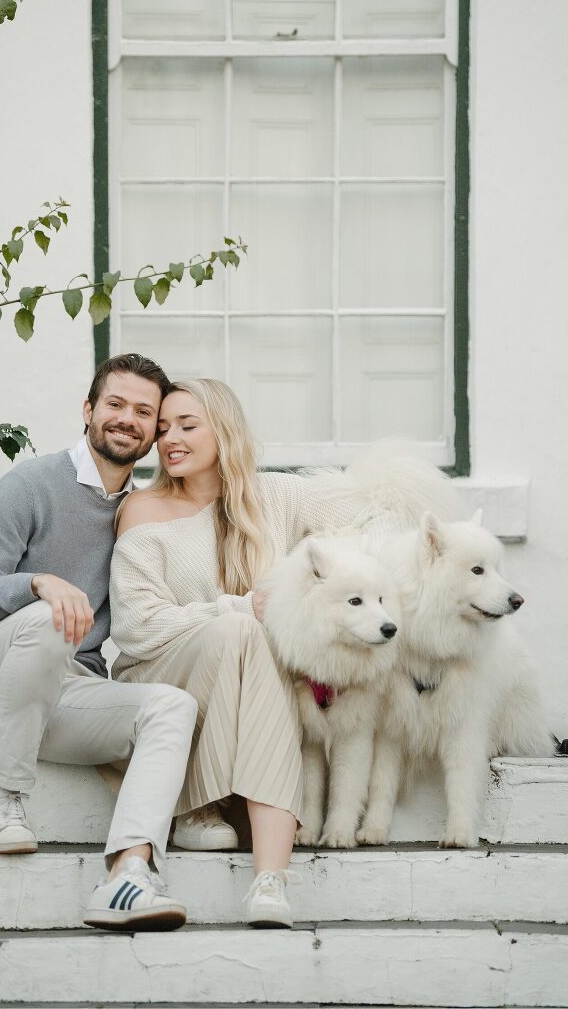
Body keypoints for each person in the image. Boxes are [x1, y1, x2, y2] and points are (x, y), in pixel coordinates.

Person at [0, 353, 198, 932]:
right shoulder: (31, 484)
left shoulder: (142, 514)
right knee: (52, 616)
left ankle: (129, 875)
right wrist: (38, 584)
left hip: (63, 694)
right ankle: (0, 799)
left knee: (172, 707)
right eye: (115, 404)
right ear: (88, 410)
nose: (127, 419)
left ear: (155, 430)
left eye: (143, 412)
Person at [110, 378, 360, 928]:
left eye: (187, 425)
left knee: (249, 639)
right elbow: (135, 628)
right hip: (160, 676)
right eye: (163, 428)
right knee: (239, 630)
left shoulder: (279, 497)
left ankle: (270, 881)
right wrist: (238, 607)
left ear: (224, 430)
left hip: (252, 685)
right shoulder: (143, 508)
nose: (170, 439)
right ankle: (195, 804)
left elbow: (359, 531)